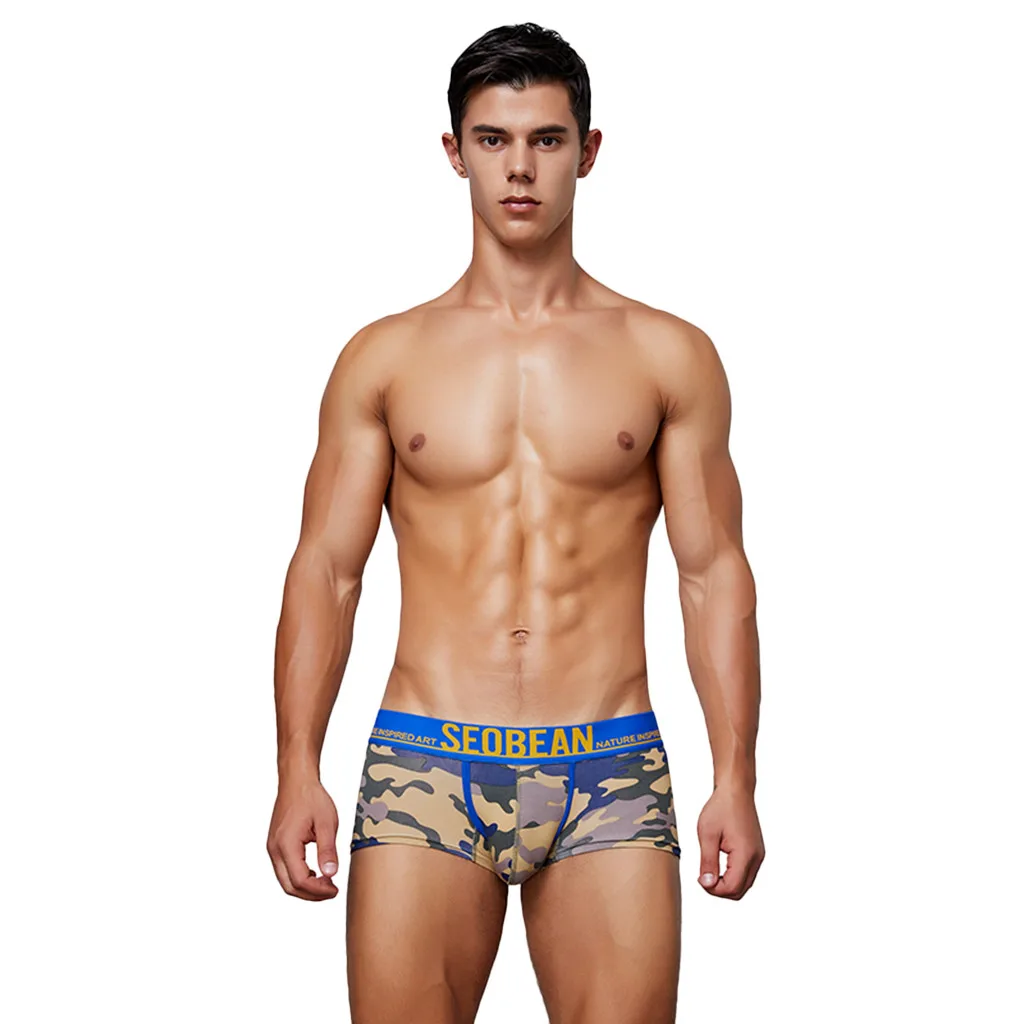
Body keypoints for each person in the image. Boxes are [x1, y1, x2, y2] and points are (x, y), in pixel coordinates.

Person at [266, 21, 764, 1024]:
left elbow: (711, 571)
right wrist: (294, 769)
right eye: (493, 140)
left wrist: (736, 777)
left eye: (545, 139)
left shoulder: (667, 354)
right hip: (424, 760)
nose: (520, 168)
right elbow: (327, 569)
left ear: (588, 150)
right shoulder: (385, 357)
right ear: (455, 153)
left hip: (609, 765)